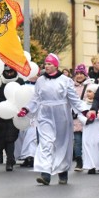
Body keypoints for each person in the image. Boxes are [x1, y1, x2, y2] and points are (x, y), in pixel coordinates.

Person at [20, 53, 84, 186]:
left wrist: (85, 111)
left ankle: (63, 174)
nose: (46, 66)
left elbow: (74, 99)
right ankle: (45, 174)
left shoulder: (66, 81)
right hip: (45, 114)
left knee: (61, 144)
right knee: (45, 143)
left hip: (62, 115)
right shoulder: (40, 81)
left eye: (49, 64)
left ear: (55, 65)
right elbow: (36, 99)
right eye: (46, 63)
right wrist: (26, 109)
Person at [0, 65, 24, 169]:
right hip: (0, 113)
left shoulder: (19, 81)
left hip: (13, 113)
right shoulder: (0, 81)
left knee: (10, 138)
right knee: (0, 137)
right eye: (7, 72)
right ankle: (1, 155)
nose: (9, 74)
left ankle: (10, 160)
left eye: (11, 72)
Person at [71, 63, 90, 171]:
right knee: (77, 140)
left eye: (81, 73)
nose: (79, 76)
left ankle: (90, 160)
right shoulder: (71, 86)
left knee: (88, 141)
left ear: (85, 74)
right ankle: (79, 161)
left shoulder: (90, 85)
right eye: (77, 73)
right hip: (75, 118)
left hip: (86, 116)